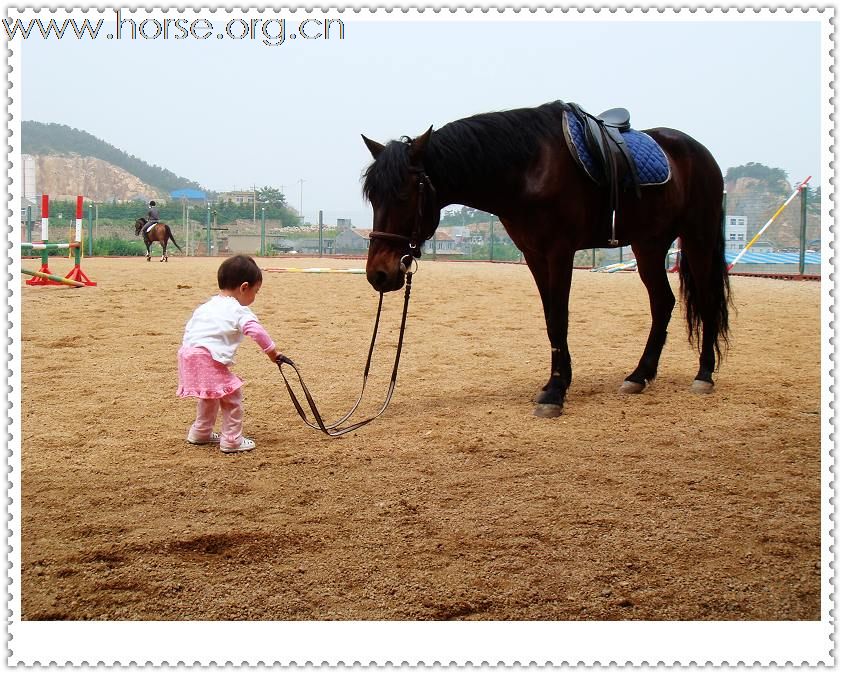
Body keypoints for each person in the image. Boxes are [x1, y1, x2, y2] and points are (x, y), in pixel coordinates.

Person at [177, 255, 290, 453]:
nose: (255, 296)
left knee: (209, 395)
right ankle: (231, 440)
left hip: (188, 356)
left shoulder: (207, 306)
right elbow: (256, 331)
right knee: (232, 396)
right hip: (207, 358)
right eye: (256, 291)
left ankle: (200, 432)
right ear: (244, 287)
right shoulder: (238, 311)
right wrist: (273, 353)